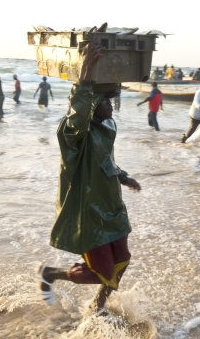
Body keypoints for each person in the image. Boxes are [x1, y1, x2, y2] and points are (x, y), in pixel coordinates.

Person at [36, 41, 141, 312]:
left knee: (122, 262)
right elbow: (76, 119)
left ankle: (96, 307)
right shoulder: (73, 135)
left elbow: (106, 161)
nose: (111, 104)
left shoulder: (106, 127)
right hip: (89, 214)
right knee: (101, 271)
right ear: (91, 104)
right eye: (105, 100)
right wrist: (83, 78)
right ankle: (50, 274)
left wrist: (123, 177)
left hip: (111, 206)